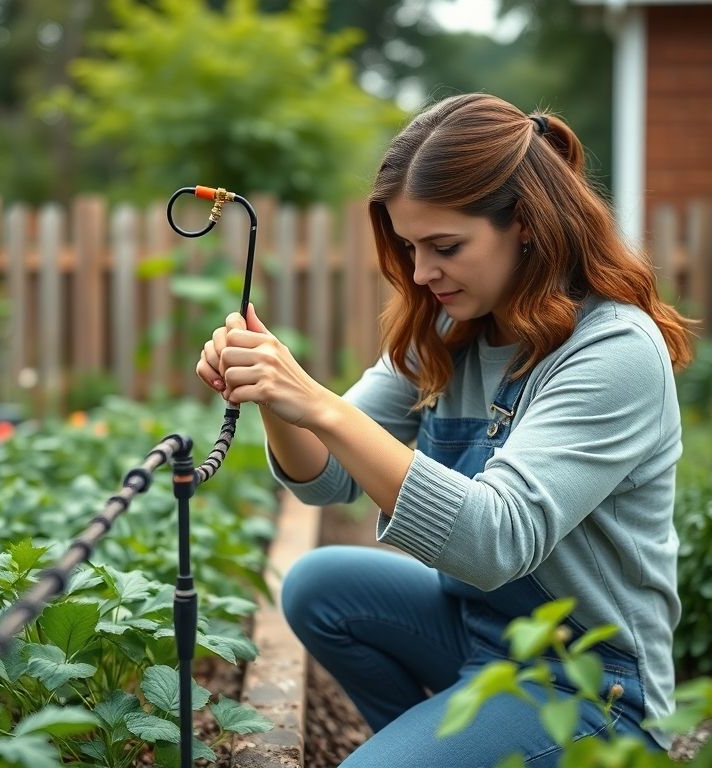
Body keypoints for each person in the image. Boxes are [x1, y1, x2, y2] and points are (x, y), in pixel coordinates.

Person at [195, 92, 694, 767]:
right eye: (409, 247)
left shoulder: (612, 351)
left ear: (525, 223)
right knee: (319, 586)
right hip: (483, 635)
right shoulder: (450, 329)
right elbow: (326, 478)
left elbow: (496, 539)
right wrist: (272, 395)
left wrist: (317, 401)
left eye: (445, 247)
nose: (422, 273)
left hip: (591, 682)